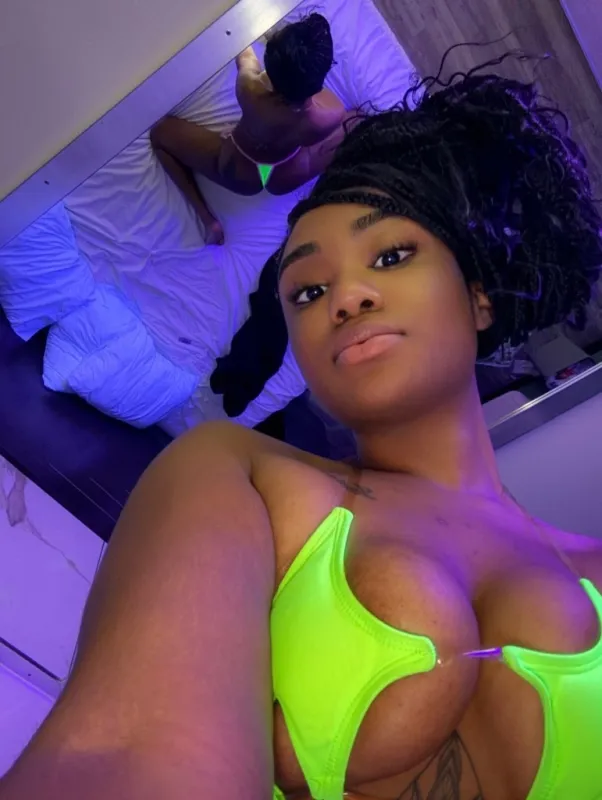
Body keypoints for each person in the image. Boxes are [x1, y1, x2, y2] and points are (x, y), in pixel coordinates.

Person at [2, 58, 602, 800]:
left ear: (479, 298)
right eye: (308, 292)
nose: (345, 297)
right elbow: (120, 751)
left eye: (391, 255)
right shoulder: (238, 476)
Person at [150, 13, 350, 245]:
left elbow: (244, 56)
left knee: (160, 133)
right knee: (356, 120)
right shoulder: (328, 117)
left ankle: (207, 220)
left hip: (242, 169)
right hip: (285, 174)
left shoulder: (249, 90)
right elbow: (316, 99)